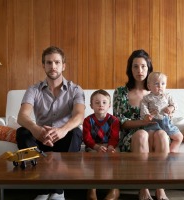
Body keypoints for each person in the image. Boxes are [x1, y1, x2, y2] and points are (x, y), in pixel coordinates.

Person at [16, 46, 85, 200]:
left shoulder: (75, 89)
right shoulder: (33, 90)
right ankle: (43, 189)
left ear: (63, 66)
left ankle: (58, 191)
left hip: (63, 139)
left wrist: (62, 130)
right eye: (49, 63)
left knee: (76, 132)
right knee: (22, 132)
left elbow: (79, 116)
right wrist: (36, 129)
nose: (53, 66)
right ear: (43, 66)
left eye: (57, 62)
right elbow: (22, 116)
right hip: (41, 140)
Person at [113, 49, 170, 200]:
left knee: (163, 135)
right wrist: (142, 122)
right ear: (130, 69)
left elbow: (167, 113)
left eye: (144, 66)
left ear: (149, 68)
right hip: (132, 135)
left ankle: (160, 188)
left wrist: (168, 112)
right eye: (135, 66)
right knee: (142, 133)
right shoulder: (121, 92)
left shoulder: (158, 90)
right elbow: (119, 123)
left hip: (156, 130)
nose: (140, 70)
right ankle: (143, 188)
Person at [83, 89, 120, 200]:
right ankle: (92, 188)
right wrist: (96, 147)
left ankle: (114, 189)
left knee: (115, 156)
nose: (101, 105)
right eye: (97, 102)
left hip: (110, 145)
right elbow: (86, 138)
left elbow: (114, 137)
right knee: (94, 156)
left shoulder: (114, 120)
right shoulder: (87, 120)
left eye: (104, 102)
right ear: (91, 105)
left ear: (109, 105)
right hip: (94, 146)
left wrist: (110, 147)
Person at [140, 72, 183, 153]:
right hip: (153, 123)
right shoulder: (147, 98)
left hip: (166, 122)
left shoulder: (167, 96)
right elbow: (143, 108)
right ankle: (150, 157)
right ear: (149, 86)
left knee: (179, 137)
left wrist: (171, 108)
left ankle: (172, 151)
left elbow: (175, 105)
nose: (160, 86)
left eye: (163, 84)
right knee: (150, 140)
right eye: (156, 84)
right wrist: (146, 115)